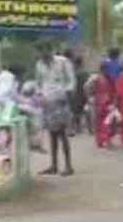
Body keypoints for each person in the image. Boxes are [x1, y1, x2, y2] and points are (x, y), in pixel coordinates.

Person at [35, 44, 76, 176]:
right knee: (52, 135)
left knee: (63, 134)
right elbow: (38, 83)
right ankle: (54, 165)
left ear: (51, 50)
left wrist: (66, 94)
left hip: (60, 101)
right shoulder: (39, 64)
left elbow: (71, 80)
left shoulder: (62, 62)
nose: (44, 53)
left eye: (46, 49)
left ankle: (69, 166)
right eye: (41, 50)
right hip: (47, 103)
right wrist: (40, 95)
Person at [85, 63, 118, 148]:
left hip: (102, 102)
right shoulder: (101, 78)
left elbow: (86, 87)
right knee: (105, 122)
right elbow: (87, 87)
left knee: (102, 122)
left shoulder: (99, 78)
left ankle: (101, 141)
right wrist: (90, 95)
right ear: (103, 69)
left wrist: (90, 95)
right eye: (106, 69)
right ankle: (106, 141)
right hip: (103, 102)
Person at [70, 56, 89, 135]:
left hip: (77, 94)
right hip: (85, 93)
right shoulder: (85, 72)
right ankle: (90, 127)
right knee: (87, 110)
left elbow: (74, 85)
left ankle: (78, 128)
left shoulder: (74, 73)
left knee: (76, 112)